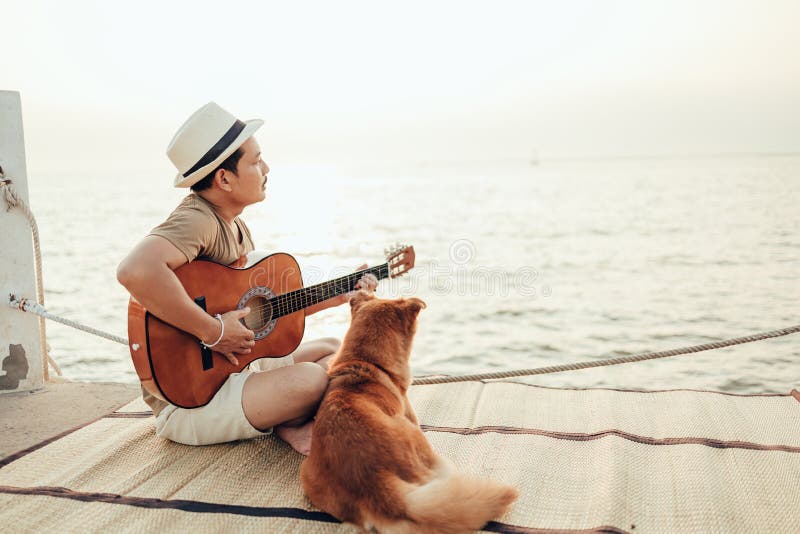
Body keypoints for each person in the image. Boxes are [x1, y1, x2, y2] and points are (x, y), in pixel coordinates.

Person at [116, 102, 377, 455]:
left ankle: (286, 421)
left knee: (336, 349)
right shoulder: (199, 221)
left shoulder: (234, 226)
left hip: (231, 374)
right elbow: (135, 271)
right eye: (255, 161)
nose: (266, 168)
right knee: (314, 380)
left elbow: (253, 318)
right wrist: (214, 331)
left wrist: (341, 294)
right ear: (224, 178)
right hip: (191, 400)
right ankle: (292, 423)